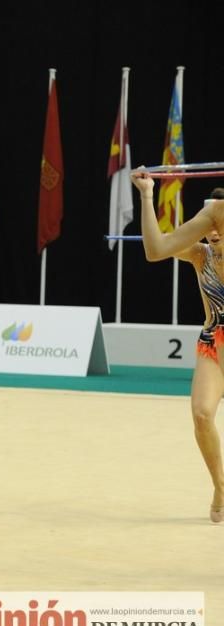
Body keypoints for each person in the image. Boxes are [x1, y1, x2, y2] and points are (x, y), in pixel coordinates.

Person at [132, 173, 224, 522]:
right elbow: (155, 249)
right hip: (214, 342)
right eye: (210, 225)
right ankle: (220, 485)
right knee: (202, 414)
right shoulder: (200, 255)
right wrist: (146, 195)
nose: (213, 231)